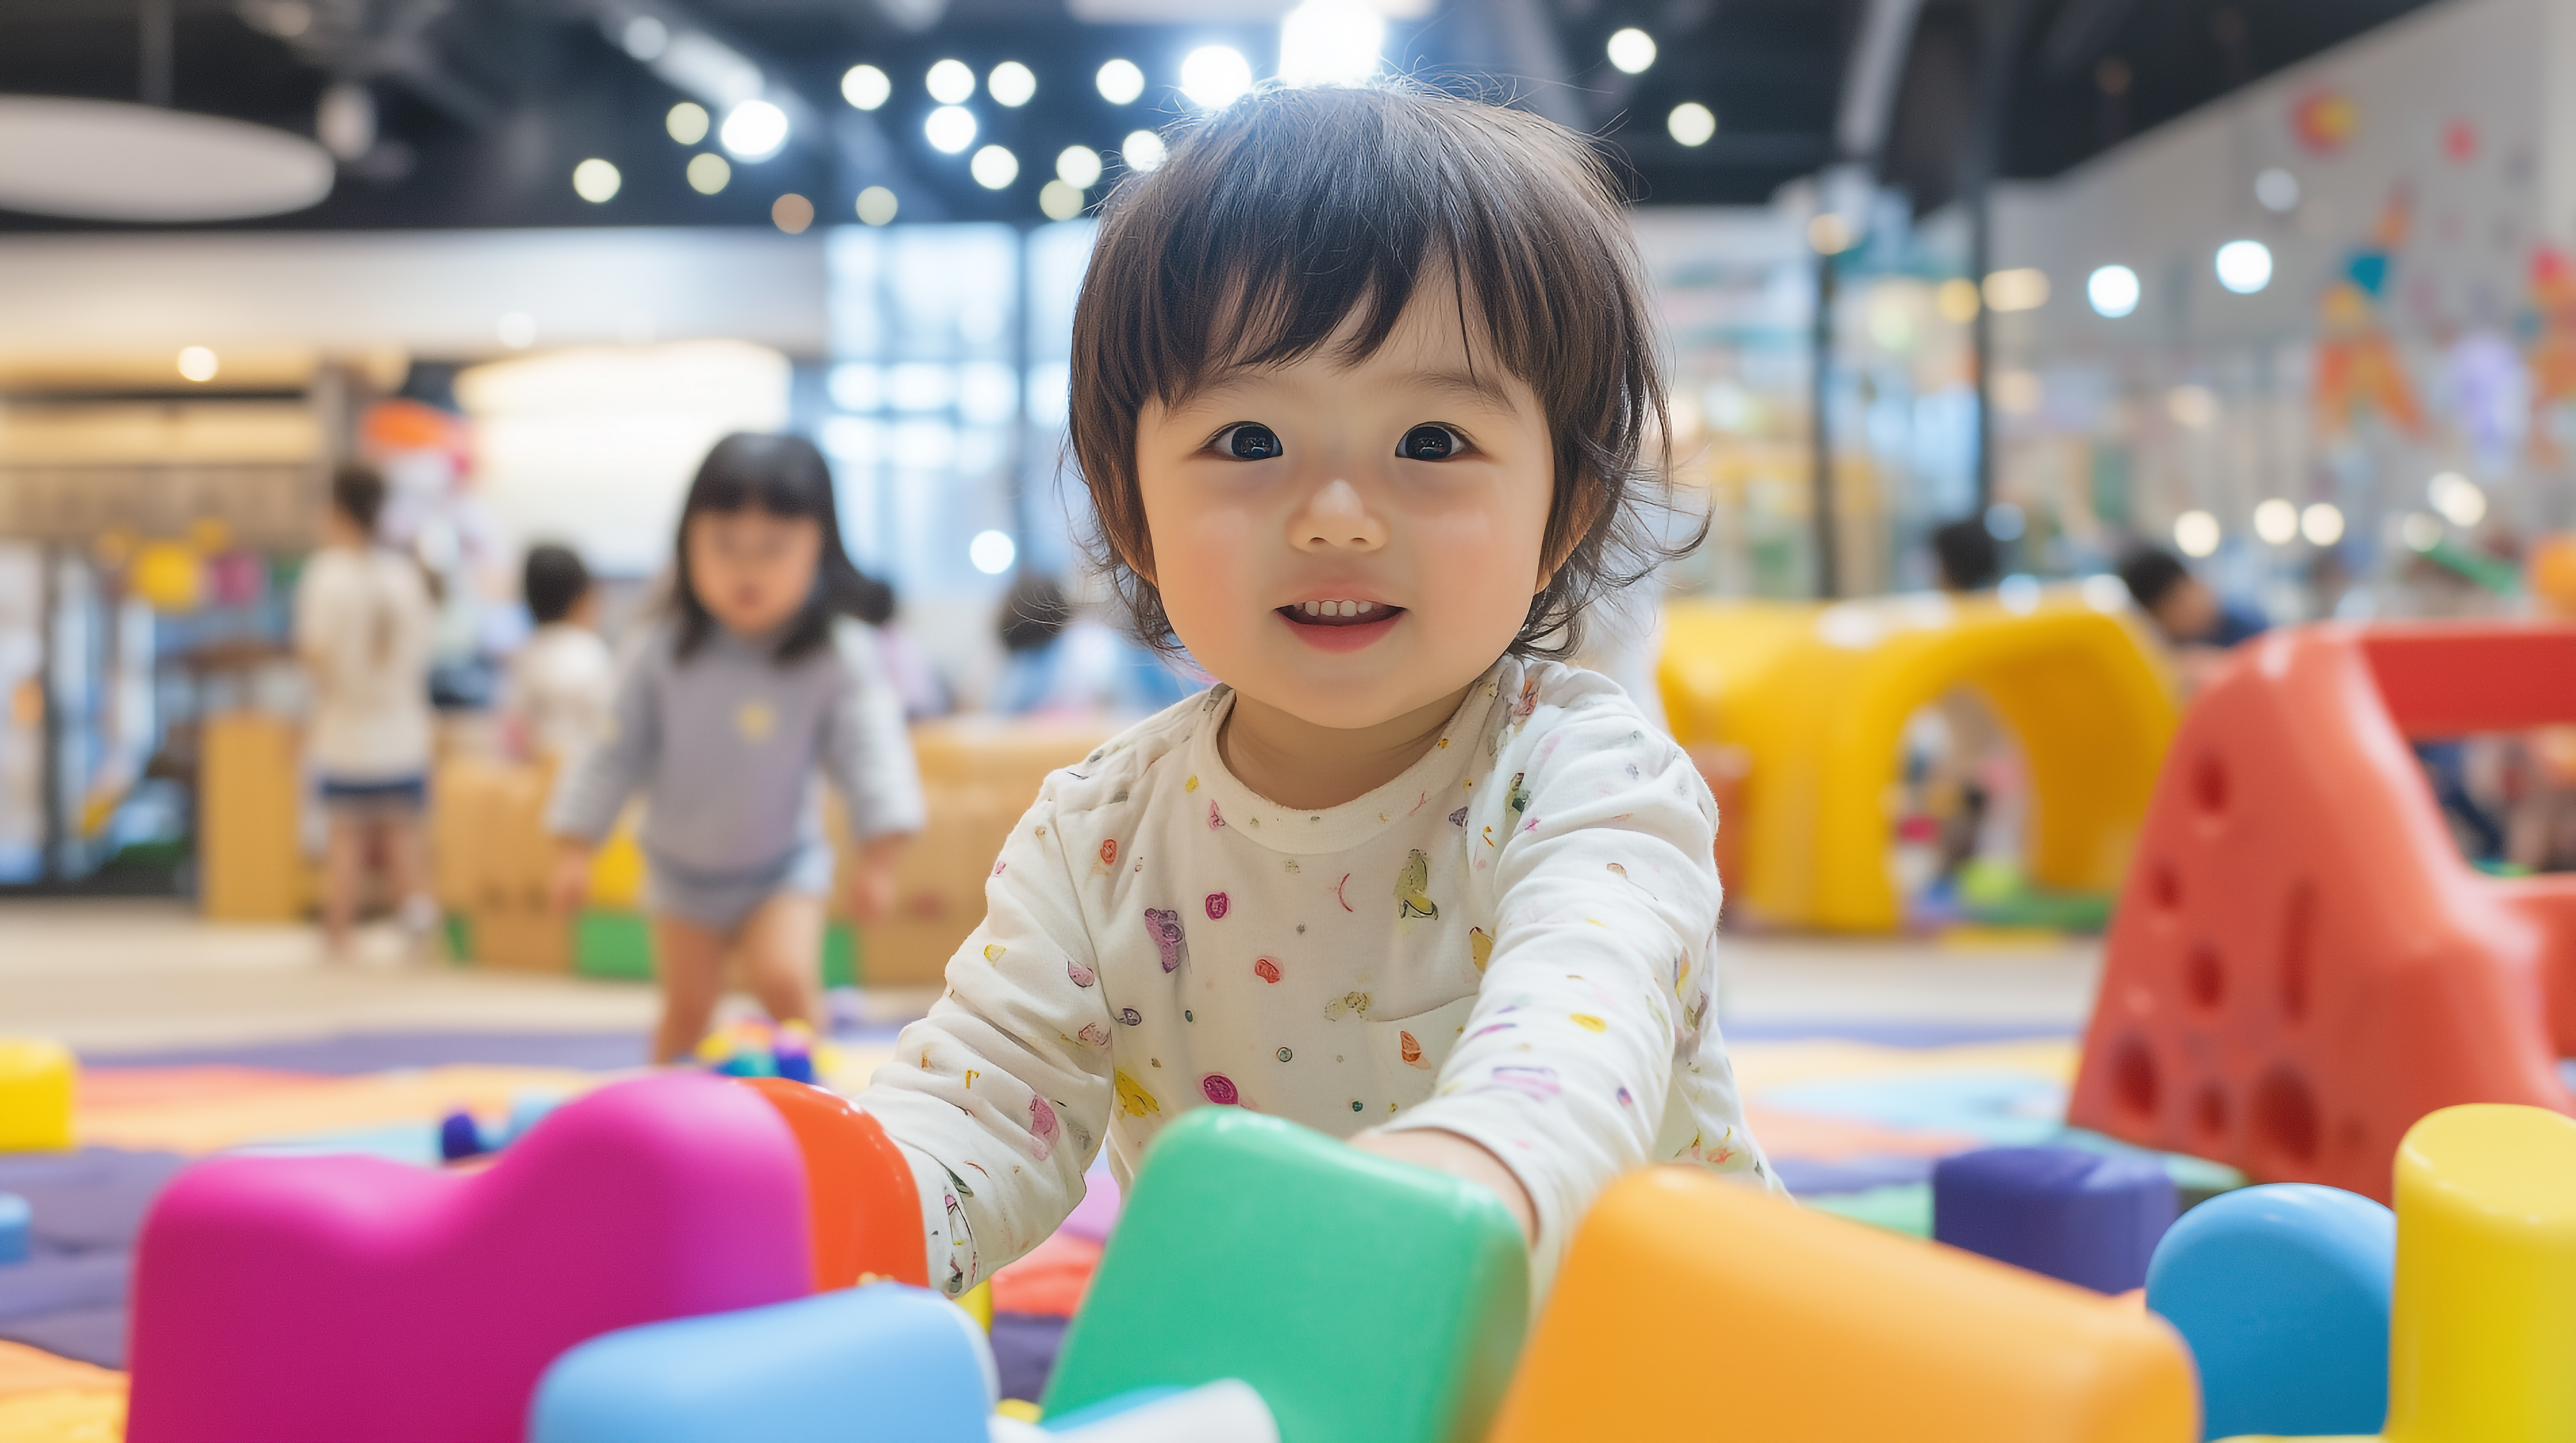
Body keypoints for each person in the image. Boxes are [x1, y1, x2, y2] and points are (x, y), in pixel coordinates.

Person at [858, 83, 1772, 1302]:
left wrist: (1470, 1168)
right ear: (1131, 507)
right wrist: (839, 1218)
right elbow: (978, 1103)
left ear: (1564, 514)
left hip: (1636, 1370)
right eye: (1248, 441)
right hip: (1297, 1375)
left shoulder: (1588, 780)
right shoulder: (1099, 837)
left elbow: (1577, 1025)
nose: (1335, 518)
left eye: (1431, 443)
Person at [546, 434, 924, 1064]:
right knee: (688, 1008)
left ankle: (819, 1113)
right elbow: (610, 748)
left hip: (782, 866)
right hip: (680, 871)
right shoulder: (660, 651)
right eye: (724, 545)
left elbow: (872, 751)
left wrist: (881, 856)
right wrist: (574, 844)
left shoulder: (834, 653)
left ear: (819, 549)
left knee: (786, 984)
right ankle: (662, 1124)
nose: (747, 569)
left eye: (773, 549)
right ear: (686, 544)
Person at [295, 463, 439, 959]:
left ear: (336, 510)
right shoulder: (404, 574)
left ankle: (339, 933)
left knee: (346, 837)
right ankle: (419, 925)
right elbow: (425, 652)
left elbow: (316, 656)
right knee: (404, 836)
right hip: (401, 728)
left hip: (346, 728)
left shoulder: (327, 574)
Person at [505, 543, 614, 764]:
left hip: (536, 775)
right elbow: (610, 725)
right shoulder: (590, 652)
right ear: (583, 599)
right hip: (581, 774)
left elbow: (514, 722)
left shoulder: (527, 653)